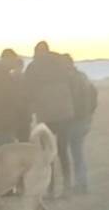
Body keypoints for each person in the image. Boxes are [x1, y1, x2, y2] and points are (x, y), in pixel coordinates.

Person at [24, 41, 74, 197]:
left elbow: (28, 90)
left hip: (46, 115)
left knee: (48, 153)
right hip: (65, 113)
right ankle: (67, 186)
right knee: (63, 151)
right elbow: (72, 82)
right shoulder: (61, 63)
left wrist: (32, 107)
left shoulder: (33, 67)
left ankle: (50, 188)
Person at [65, 54, 98, 194]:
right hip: (84, 118)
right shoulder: (82, 77)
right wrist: (90, 113)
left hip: (76, 119)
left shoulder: (71, 80)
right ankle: (81, 183)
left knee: (76, 152)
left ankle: (81, 184)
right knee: (77, 151)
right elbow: (94, 94)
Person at [0, 49, 30, 146]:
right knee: (4, 152)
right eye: (13, 60)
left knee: (0, 151)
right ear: (7, 59)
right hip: (3, 122)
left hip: (0, 121)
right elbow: (8, 99)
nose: (14, 63)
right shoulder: (2, 77)